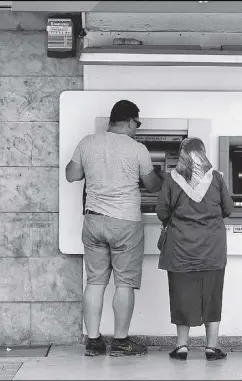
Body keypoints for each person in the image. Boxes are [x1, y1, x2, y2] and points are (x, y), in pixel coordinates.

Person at [65, 100, 162, 357]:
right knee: (124, 283)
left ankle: (94, 341)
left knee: (95, 282)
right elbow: (153, 186)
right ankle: (120, 342)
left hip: (94, 220)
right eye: (137, 124)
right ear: (130, 121)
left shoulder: (87, 143)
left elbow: (71, 175)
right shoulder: (137, 149)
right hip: (125, 223)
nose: (137, 129)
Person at [156, 137, 234, 361]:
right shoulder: (216, 178)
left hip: (181, 249)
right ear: (203, 153)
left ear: (181, 155)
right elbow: (228, 209)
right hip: (212, 248)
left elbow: (162, 212)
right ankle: (211, 347)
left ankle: (181, 346)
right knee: (212, 294)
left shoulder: (171, 180)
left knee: (181, 294)